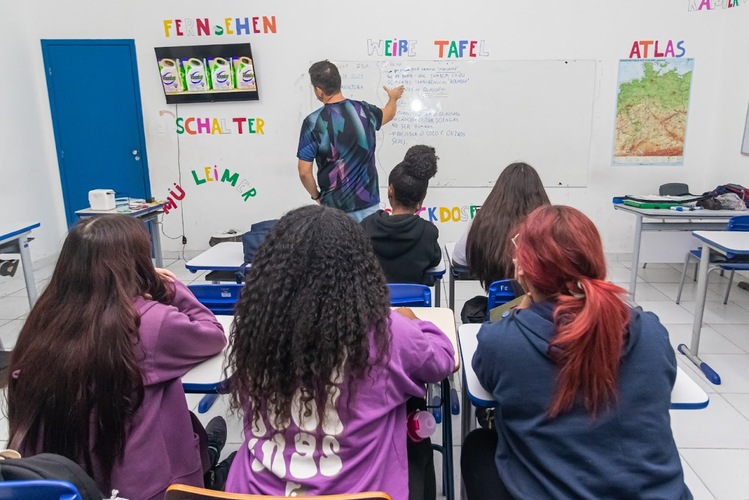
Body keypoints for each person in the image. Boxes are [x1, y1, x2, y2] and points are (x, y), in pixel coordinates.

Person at [224, 205, 455, 500]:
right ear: (360, 272)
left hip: (254, 494)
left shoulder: (256, 330)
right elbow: (442, 359)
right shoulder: (387, 333)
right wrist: (417, 323)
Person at [461, 205, 691, 499]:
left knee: (478, 446)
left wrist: (524, 302)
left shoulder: (504, 342)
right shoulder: (649, 331)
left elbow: (486, 377)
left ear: (523, 269)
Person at [6, 215, 229, 500]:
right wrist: (171, 288)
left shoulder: (45, 318)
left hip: (57, 477)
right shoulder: (149, 322)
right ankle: (209, 462)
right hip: (143, 486)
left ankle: (207, 450)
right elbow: (212, 334)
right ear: (137, 264)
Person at [297, 60, 405, 222]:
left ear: (319, 90)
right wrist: (393, 98)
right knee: (366, 246)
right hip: (368, 203)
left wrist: (317, 196)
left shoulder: (313, 122)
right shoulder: (364, 111)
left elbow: (304, 172)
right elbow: (388, 113)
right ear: (338, 82)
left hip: (333, 209)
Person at [451, 162, 549, 290]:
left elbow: (458, 260)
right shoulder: (549, 224)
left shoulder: (483, 221)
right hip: (541, 305)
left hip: (496, 305)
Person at [361, 144, 441, 285]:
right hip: (414, 306)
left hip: (373, 304)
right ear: (421, 199)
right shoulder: (428, 233)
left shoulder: (365, 227)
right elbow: (435, 260)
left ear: (390, 191)